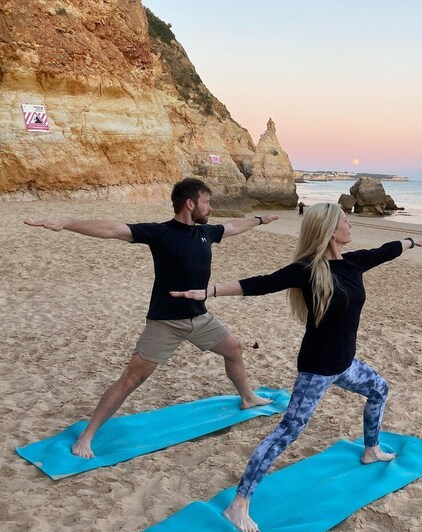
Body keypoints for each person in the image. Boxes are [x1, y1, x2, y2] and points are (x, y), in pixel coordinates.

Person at [171, 202, 422, 532]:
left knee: (379, 390)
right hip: (318, 370)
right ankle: (238, 505)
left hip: (345, 364)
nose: (350, 225)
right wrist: (208, 292)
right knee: (287, 433)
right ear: (329, 230)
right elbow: (261, 283)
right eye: (344, 221)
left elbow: (386, 250)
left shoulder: (353, 262)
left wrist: (411, 241)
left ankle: (371, 449)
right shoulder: (308, 270)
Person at [24, 177, 279, 459]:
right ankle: (87, 436)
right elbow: (112, 229)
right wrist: (66, 224)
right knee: (131, 379)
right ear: (190, 203)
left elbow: (232, 227)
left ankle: (247, 397)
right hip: (165, 323)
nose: (210, 208)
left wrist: (259, 219)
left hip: (199, 317)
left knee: (233, 348)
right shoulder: (161, 233)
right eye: (207, 202)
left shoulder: (206, 232)